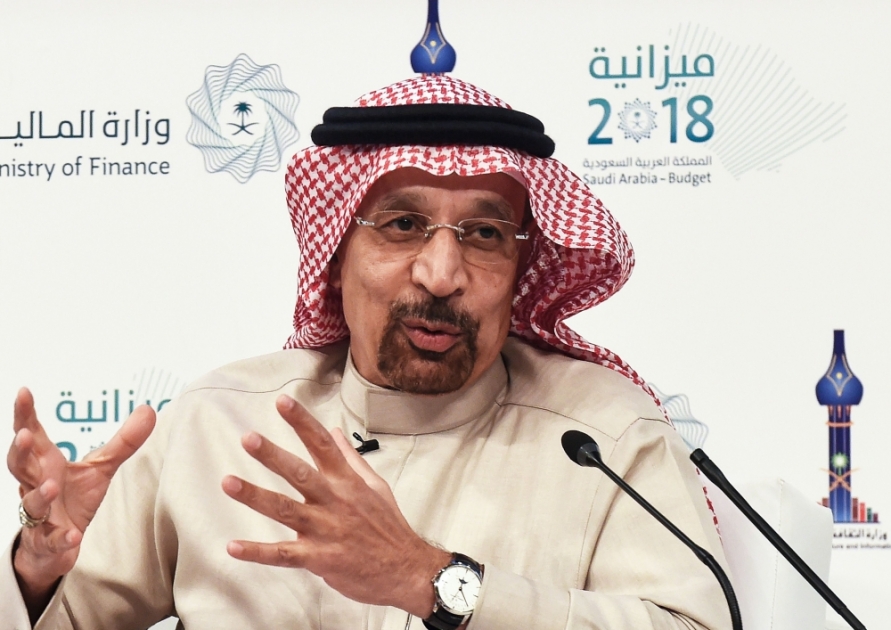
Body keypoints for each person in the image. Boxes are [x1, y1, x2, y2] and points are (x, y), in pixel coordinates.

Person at [4, 75, 731, 629]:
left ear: (520, 266)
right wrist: (36, 570)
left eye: (484, 234)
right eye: (402, 224)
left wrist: (434, 580)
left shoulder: (605, 439)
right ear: (333, 256)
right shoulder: (218, 424)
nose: (441, 275)